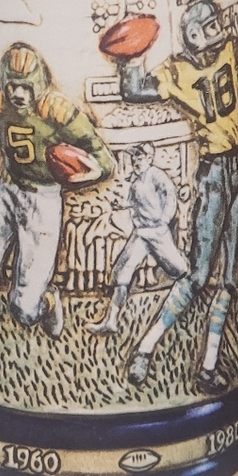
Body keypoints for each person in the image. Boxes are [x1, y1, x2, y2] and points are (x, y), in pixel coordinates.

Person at [110, 0, 238, 394]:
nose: (218, 29)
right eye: (209, 25)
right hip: (214, 174)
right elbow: (134, 91)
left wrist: (131, 60)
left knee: (229, 280)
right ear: (193, 34)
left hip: (232, 170)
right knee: (197, 276)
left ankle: (208, 366)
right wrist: (131, 54)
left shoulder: (223, 52)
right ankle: (145, 348)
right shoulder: (182, 69)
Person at [0, 42, 114, 387]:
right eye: (13, 86)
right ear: (3, 82)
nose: (18, 94)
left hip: (43, 200)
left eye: (26, 86)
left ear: (38, 84)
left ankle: (48, 301)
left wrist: (85, 174)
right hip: (8, 190)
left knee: (23, 311)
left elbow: (104, 159)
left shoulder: (57, 110)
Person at [87, 142, 188, 335]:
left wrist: (164, 219)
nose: (135, 161)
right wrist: (122, 205)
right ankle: (111, 320)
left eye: (139, 157)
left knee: (180, 270)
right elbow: (133, 203)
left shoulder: (157, 176)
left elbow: (171, 196)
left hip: (157, 233)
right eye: (134, 158)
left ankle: (184, 310)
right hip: (141, 233)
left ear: (149, 158)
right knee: (122, 273)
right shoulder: (135, 181)